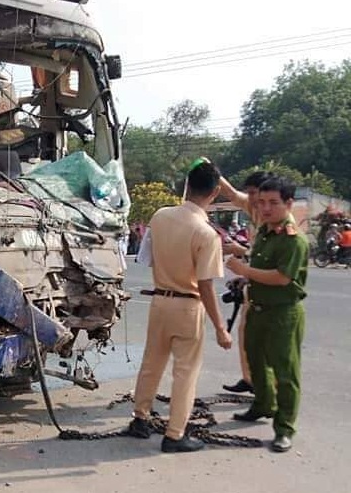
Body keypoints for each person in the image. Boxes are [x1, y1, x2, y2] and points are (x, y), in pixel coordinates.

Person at [126, 159, 232, 453]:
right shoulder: (207, 234)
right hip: (188, 306)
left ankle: (140, 419)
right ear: (213, 194)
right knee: (185, 372)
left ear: (187, 185)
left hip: (160, 301)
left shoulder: (160, 217)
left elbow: (145, 259)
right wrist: (221, 329)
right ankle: (174, 435)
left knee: (151, 364)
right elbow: (207, 286)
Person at [226, 176, 308, 453]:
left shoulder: (293, 240)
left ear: (288, 204)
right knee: (257, 363)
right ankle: (262, 404)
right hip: (258, 310)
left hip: (282, 314)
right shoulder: (264, 232)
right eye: (261, 202)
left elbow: (282, 278)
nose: (265, 208)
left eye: (273, 203)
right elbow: (261, 270)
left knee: (286, 373)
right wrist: (245, 281)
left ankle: (284, 428)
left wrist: (244, 271)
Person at [217, 170, 273, 394]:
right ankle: (250, 379)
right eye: (248, 194)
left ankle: (266, 390)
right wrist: (211, 171)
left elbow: (270, 259)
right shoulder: (254, 209)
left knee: (263, 341)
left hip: (269, 291)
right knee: (245, 334)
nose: (249, 198)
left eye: (253, 194)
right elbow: (230, 193)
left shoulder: (273, 219)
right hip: (255, 285)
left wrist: (240, 252)